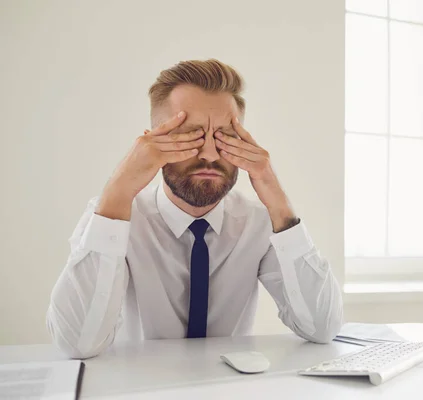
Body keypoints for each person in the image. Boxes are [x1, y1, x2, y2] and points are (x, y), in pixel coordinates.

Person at [47, 59, 343, 359]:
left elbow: (322, 327)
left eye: (225, 137)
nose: (210, 154)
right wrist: (119, 189)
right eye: (191, 135)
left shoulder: (260, 222)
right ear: (152, 142)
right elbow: (76, 343)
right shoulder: (113, 218)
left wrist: (275, 193)